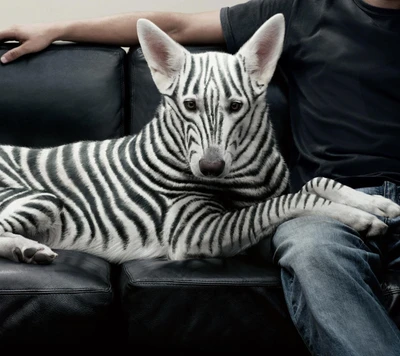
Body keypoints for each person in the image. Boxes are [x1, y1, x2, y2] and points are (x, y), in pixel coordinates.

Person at [1, 0, 400, 354]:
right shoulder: (304, 11)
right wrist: (59, 28)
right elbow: (176, 29)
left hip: (329, 198)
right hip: (330, 201)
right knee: (314, 251)